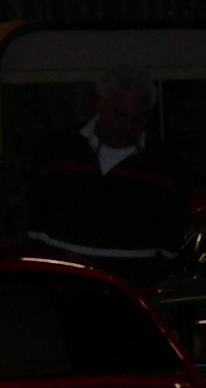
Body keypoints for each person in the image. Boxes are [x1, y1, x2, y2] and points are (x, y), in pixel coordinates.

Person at [23, 68, 188, 283]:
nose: (128, 126)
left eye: (138, 118)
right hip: (63, 288)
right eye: (119, 114)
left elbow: (171, 240)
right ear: (99, 105)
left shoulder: (166, 165)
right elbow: (34, 224)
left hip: (132, 292)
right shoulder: (57, 151)